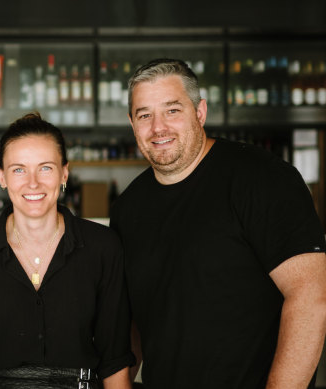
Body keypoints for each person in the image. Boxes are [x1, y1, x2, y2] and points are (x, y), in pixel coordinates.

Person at [110, 58, 326, 388]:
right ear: (131, 123)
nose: (158, 127)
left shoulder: (261, 179)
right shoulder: (128, 209)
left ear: (200, 112)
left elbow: (311, 295)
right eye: (144, 115)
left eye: (172, 110)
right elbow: (134, 326)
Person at [0, 112, 134, 389]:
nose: (33, 183)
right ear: (1, 176)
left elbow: (115, 358)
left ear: (65, 172)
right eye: (18, 169)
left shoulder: (103, 247)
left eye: (45, 168)